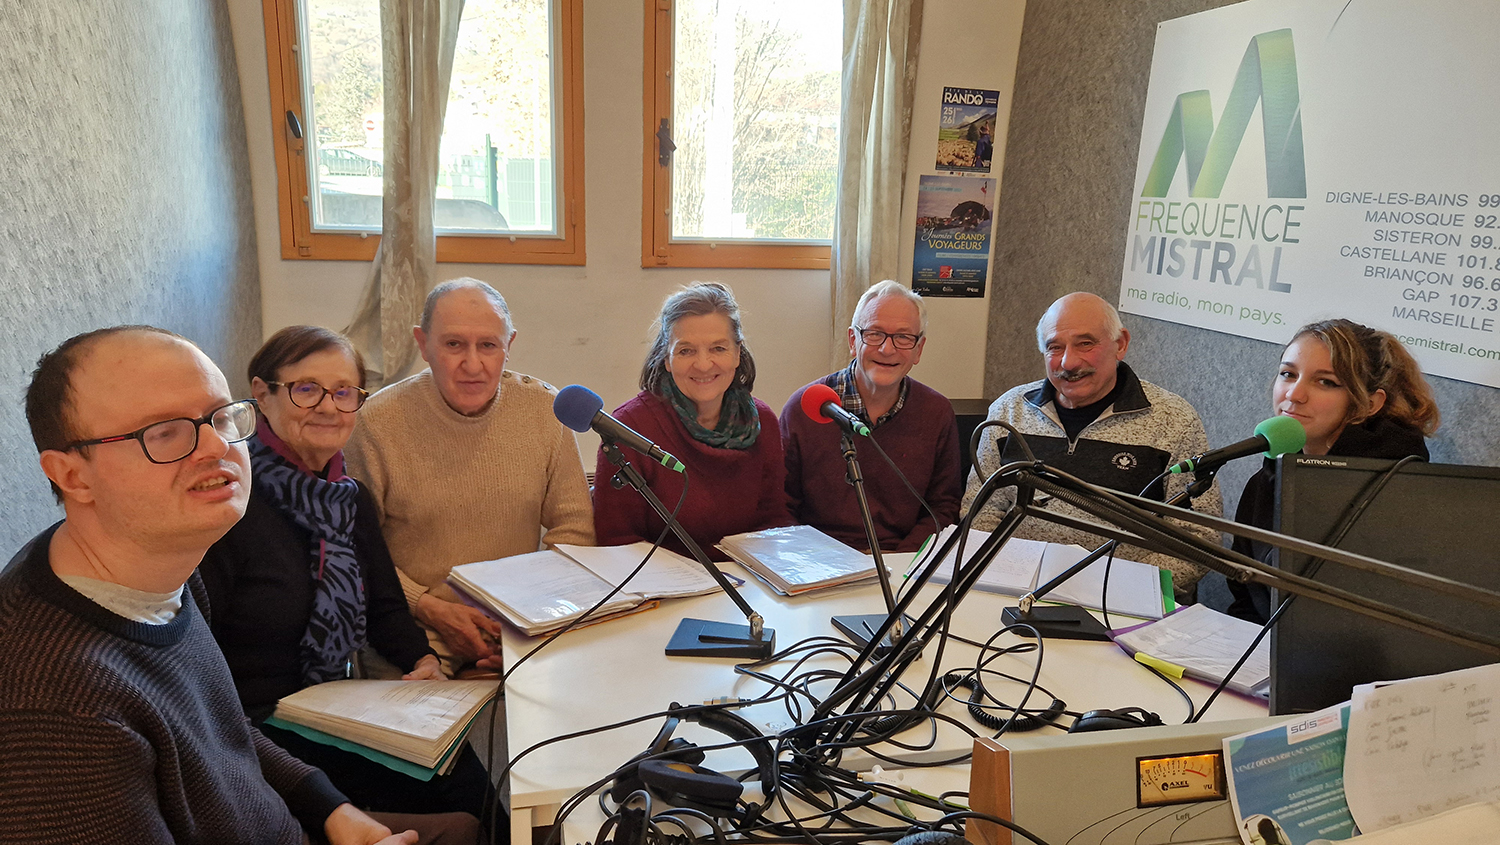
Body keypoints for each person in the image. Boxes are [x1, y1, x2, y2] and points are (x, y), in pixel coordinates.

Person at [0, 325, 473, 843]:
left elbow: (226, 729)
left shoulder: (166, 570)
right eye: (163, 431)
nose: (216, 446)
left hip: (293, 819)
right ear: (72, 476)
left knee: (467, 822)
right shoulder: (52, 710)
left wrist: (334, 811)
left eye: (220, 417)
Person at [199, 325, 492, 820]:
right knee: (461, 804)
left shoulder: (347, 498)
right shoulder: (230, 503)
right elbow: (199, 658)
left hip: (334, 708)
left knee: (468, 780)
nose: (329, 407)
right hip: (252, 730)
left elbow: (384, 607)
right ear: (262, 394)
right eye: (306, 389)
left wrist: (421, 662)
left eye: (344, 392)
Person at [345, 279, 594, 674]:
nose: (473, 364)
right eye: (454, 344)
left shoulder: (546, 411)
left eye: (488, 346)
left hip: (519, 620)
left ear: (508, 346)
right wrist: (429, 607)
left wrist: (528, 617)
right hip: (416, 626)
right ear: (423, 344)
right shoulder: (375, 422)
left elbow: (575, 530)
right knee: (421, 726)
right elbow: (357, 551)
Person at [963, 292, 1223, 594]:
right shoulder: (1008, 412)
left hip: (1121, 603)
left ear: (1121, 344)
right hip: (1012, 590)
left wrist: (1115, 589)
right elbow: (980, 511)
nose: (1068, 362)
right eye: (1054, 347)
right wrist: (1004, 578)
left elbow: (1198, 536)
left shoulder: (1174, 421)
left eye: (1085, 344)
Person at [1225, 319, 1440, 624]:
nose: (1294, 395)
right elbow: (1245, 597)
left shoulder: (1401, 492)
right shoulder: (1265, 481)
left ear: (1369, 403)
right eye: (1288, 374)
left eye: (1325, 382)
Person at [592, 282, 791, 559]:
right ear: (667, 358)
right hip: (664, 591)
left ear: (737, 353)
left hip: (749, 585)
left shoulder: (763, 422)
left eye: (718, 348)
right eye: (686, 351)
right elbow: (617, 540)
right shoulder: (631, 428)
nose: (703, 364)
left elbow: (774, 520)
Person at [781, 280, 962, 552]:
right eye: (875, 334)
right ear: (853, 341)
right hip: (817, 564)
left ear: (918, 349)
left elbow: (942, 509)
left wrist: (902, 563)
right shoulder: (805, 408)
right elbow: (780, 505)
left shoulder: (936, 413)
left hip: (900, 561)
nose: (887, 350)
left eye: (903, 337)